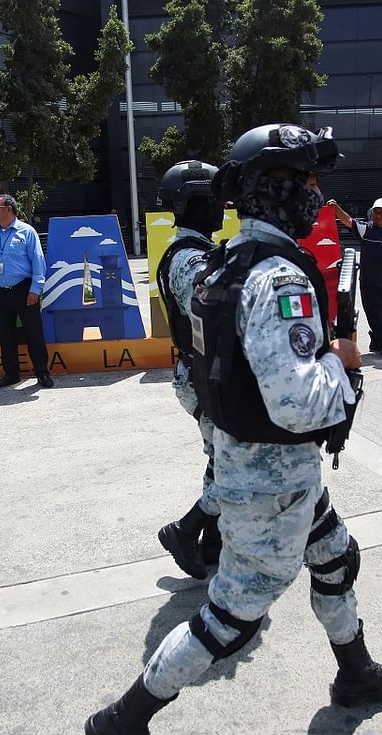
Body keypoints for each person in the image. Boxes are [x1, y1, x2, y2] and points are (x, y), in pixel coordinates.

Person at [85, 124, 382, 735]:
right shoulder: (275, 277)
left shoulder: (228, 261)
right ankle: (124, 719)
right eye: (306, 182)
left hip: (267, 467)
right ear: (274, 188)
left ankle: (355, 673)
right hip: (270, 480)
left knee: (335, 554)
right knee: (233, 615)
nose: (317, 194)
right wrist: (345, 374)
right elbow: (299, 400)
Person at [154, 160, 226, 579]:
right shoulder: (188, 259)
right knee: (232, 464)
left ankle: (212, 544)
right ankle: (186, 530)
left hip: (203, 374)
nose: (221, 206)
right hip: (201, 378)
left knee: (221, 458)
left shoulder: (199, 251)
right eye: (213, 198)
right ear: (194, 202)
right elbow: (213, 312)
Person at [0, 194, 52, 388]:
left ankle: (41, 372)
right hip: (0, 291)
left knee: (33, 333)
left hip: (24, 289)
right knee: (6, 334)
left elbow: (38, 262)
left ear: (9, 209)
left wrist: (35, 289)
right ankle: (11, 374)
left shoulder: (27, 232)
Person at [329, 197, 382, 358]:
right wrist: (336, 208)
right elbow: (349, 221)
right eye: (375, 212)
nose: (378, 215)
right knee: (376, 313)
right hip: (370, 282)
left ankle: (377, 340)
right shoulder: (367, 230)